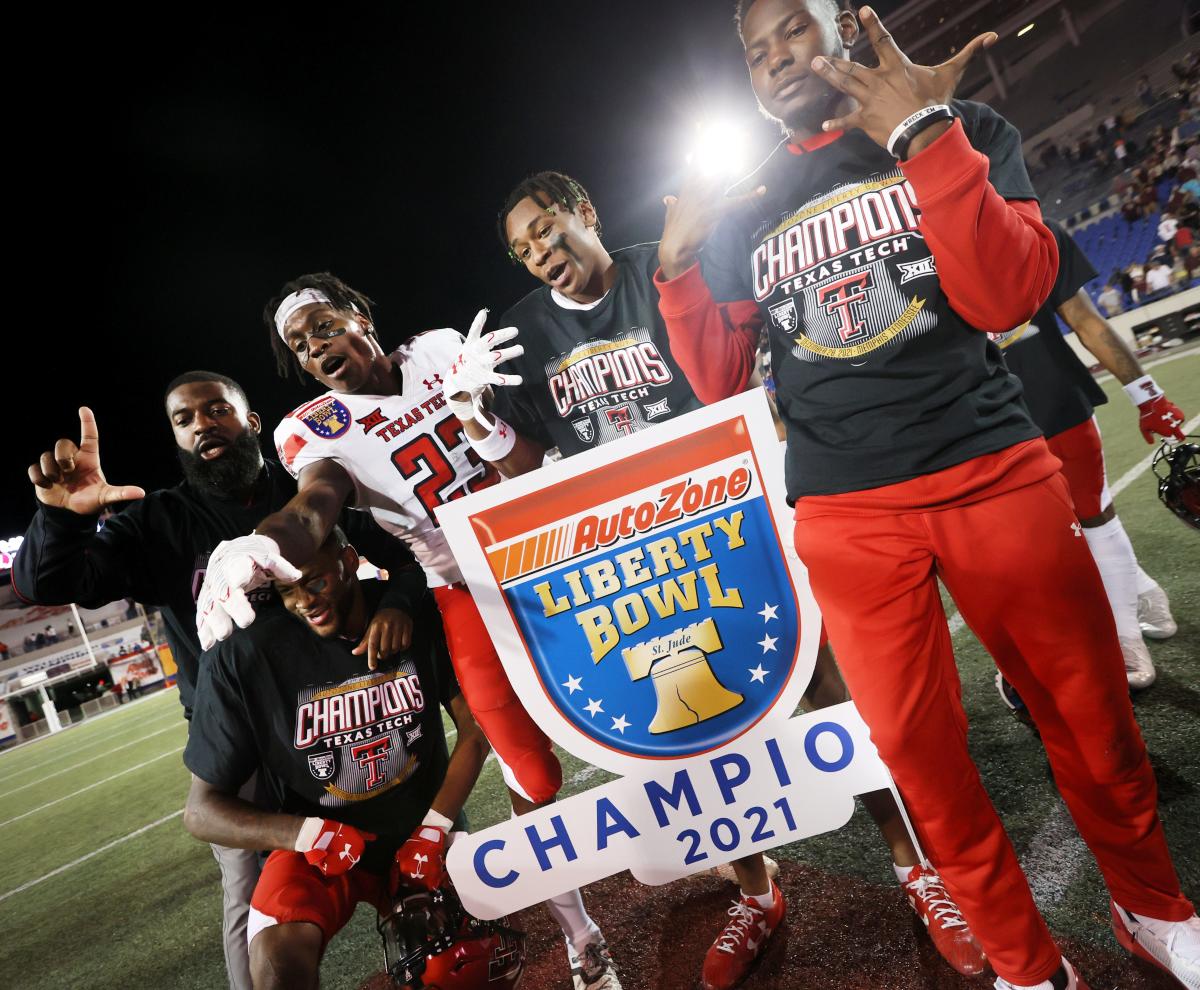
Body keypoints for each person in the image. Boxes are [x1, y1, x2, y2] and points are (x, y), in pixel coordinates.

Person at [650, 3, 1199, 989]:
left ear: (847, 30)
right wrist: (677, 267)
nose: (775, 59)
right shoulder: (740, 201)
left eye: (793, 31)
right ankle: (1028, 967)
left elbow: (1007, 297)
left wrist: (921, 138)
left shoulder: (958, 127)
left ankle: (1151, 908)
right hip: (848, 514)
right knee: (922, 764)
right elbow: (718, 375)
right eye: (755, 49)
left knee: (1095, 726)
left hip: (990, 465)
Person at [445, 167, 986, 988]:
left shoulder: (663, 266)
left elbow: (724, 378)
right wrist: (480, 420)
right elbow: (524, 465)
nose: (539, 254)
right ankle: (757, 892)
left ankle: (918, 871)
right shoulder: (523, 333)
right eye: (523, 250)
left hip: (732, 514)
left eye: (546, 229)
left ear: (583, 210)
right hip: (635, 554)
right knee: (685, 737)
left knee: (822, 682)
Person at [198, 276, 621, 990]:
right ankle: (583, 936)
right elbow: (313, 508)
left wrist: (482, 415)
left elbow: (524, 460)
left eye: (324, 326)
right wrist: (260, 548)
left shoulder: (441, 351)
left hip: (558, 556)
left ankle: (749, 878)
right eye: (300, 344)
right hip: (466, 588)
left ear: (361, 315)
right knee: (527, 768)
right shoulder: (316, 426)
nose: (315, 347)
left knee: (657, 693)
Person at [16, 373, 426, 990]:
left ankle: (437, 956)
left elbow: (408, 554)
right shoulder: (157, 521)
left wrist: (396, 602)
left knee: (403, 844)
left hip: (351, 711)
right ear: (176, 438)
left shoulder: (311, 493)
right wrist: (60, 520)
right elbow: (49, 584)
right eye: (185, 419)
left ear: (251, 422)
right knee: (252, 895)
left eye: (217, 410)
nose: (203, 424)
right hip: (243, 745)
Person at [183, 527, 490, 990]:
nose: (304, 600)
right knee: (278, 965)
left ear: (348, 560)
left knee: (462, 967)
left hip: (419, 826)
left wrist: (433, 830)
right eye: (287, 590)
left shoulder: (406, 611)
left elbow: (477, 728)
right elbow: (201, 811)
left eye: (316, 582)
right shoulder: (245, 652)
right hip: (319, 845)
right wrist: (310, 834)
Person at [989, 219, 1185, 701]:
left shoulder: (1030, 230)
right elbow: (1086, 320)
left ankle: (1126, 642)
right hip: (1012, 413)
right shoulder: (911, 248)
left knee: (1087, 519)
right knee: (1060, 534)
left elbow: (1086, 320)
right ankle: (1145, 599)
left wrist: (1149, 394)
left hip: (1033, 408)